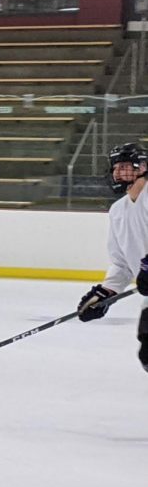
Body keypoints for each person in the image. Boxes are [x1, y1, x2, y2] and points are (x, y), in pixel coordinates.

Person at [77, 142, 148, 370]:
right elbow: (122, 263)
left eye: (125, 166)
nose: (117, 173)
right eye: (115, 167)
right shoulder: (118, 210)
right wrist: (106, 292)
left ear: (143, 167)